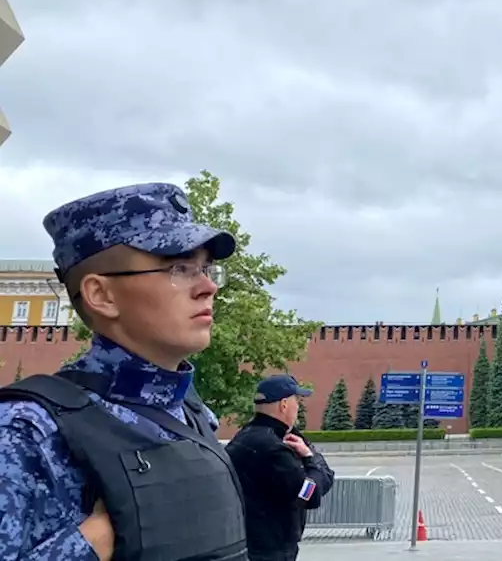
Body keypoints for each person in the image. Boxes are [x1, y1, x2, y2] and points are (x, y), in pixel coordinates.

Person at [0, 182, 247, 561]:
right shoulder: (28, 432)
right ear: (101, 295)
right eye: (179, 268)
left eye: (206, 268)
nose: (208, 286)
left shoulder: (192, 415)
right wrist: (89, 545)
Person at [225, 375, 335, 561]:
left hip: (247, 543)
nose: (298, 407)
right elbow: (309, 494)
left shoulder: (245, 436)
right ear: (284, 404)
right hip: (271, 550)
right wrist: (310, 458)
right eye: (296, 402)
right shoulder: (274, 449)